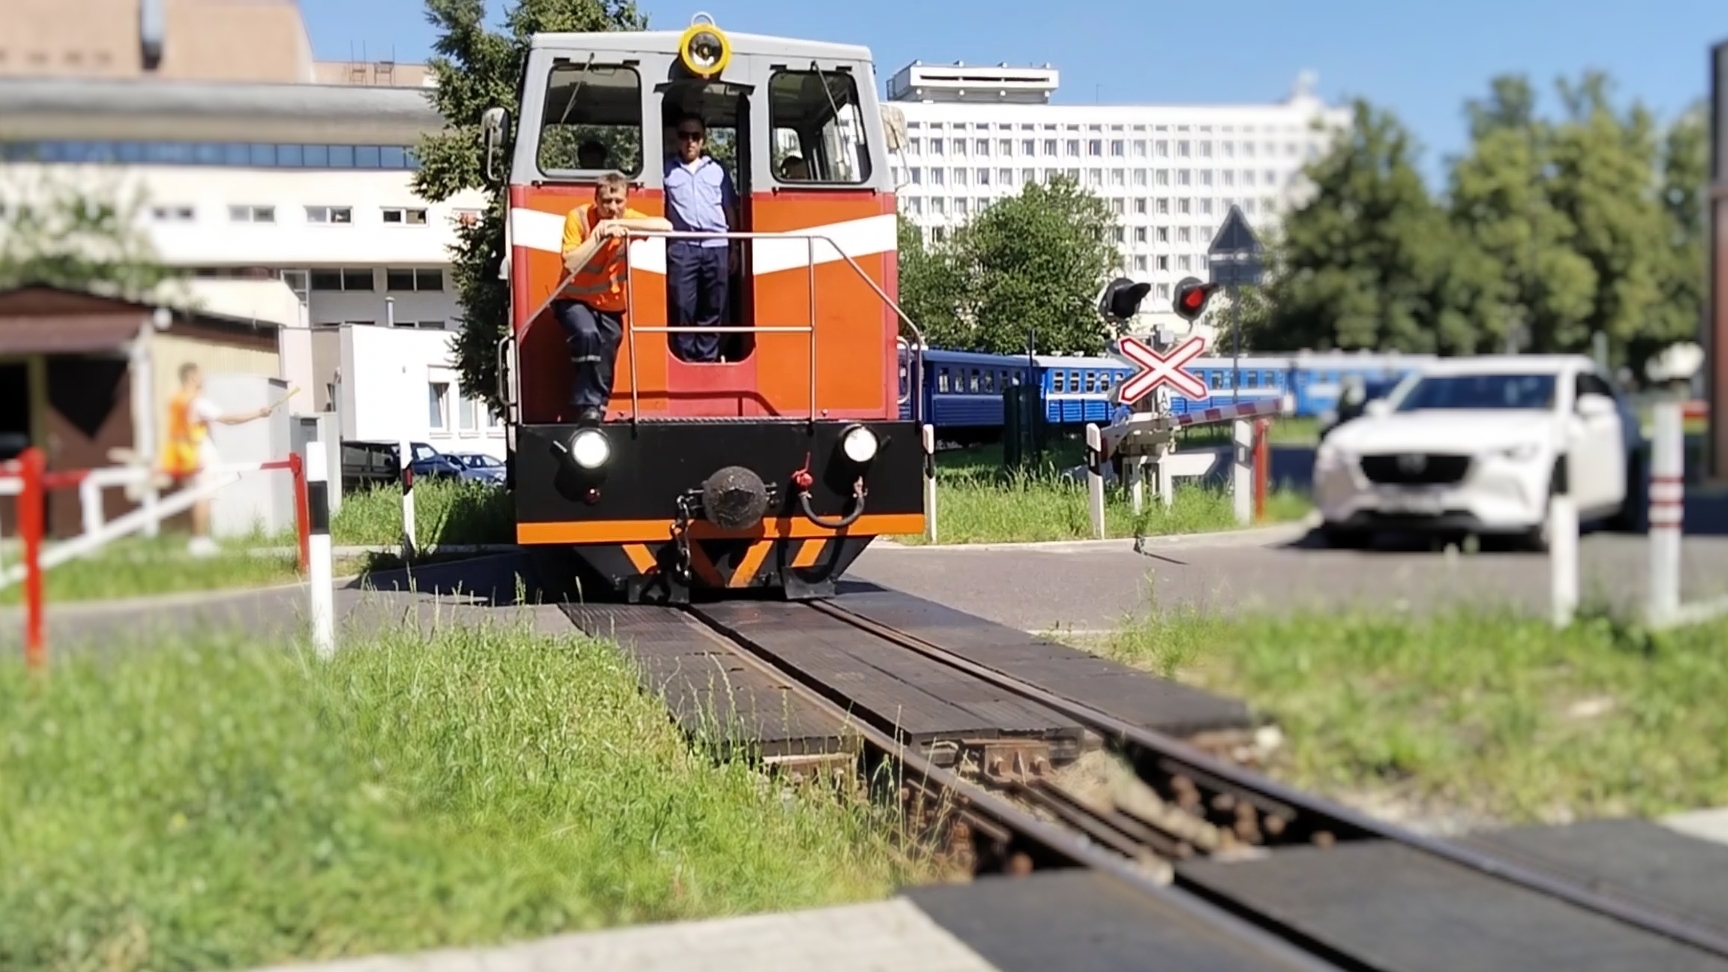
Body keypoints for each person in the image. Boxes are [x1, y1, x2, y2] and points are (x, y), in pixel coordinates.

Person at [556, 171, 673, 426]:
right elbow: (570, 261)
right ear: (596, 201)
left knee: (610, 341)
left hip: (609, 304)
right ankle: (587, 405)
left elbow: (666, 226)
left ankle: (598, 405)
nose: (612, 208)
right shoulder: (578, 218)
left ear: (626, 201)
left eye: (619, 201)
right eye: (607, 202)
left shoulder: (625, 219)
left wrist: (624, 226)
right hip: (572, 299)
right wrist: (599, 233)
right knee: (587, 334)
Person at [158, 363, 282, 557]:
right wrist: (258, 413)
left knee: (197, 496)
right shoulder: (198, 402)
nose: (202, 377)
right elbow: (227, 419)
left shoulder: (178, 401)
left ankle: (197, 539)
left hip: (185, 454)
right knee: (204, 496)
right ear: (191, 377)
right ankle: (199, 542)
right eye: (199, 374)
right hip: (200, 453)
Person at [662, 113, 738, 363]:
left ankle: (706, 358)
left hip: (717, 245)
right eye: (685, 136)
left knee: (714, 305)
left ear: (703, 141)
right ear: (677, 140)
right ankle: (686, 359)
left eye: (696, 136)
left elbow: (729, 209)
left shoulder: (718, 171)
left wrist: (735, 248)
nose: (690, 142)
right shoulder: (665, 171)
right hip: (682, 246)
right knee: (683, 305)